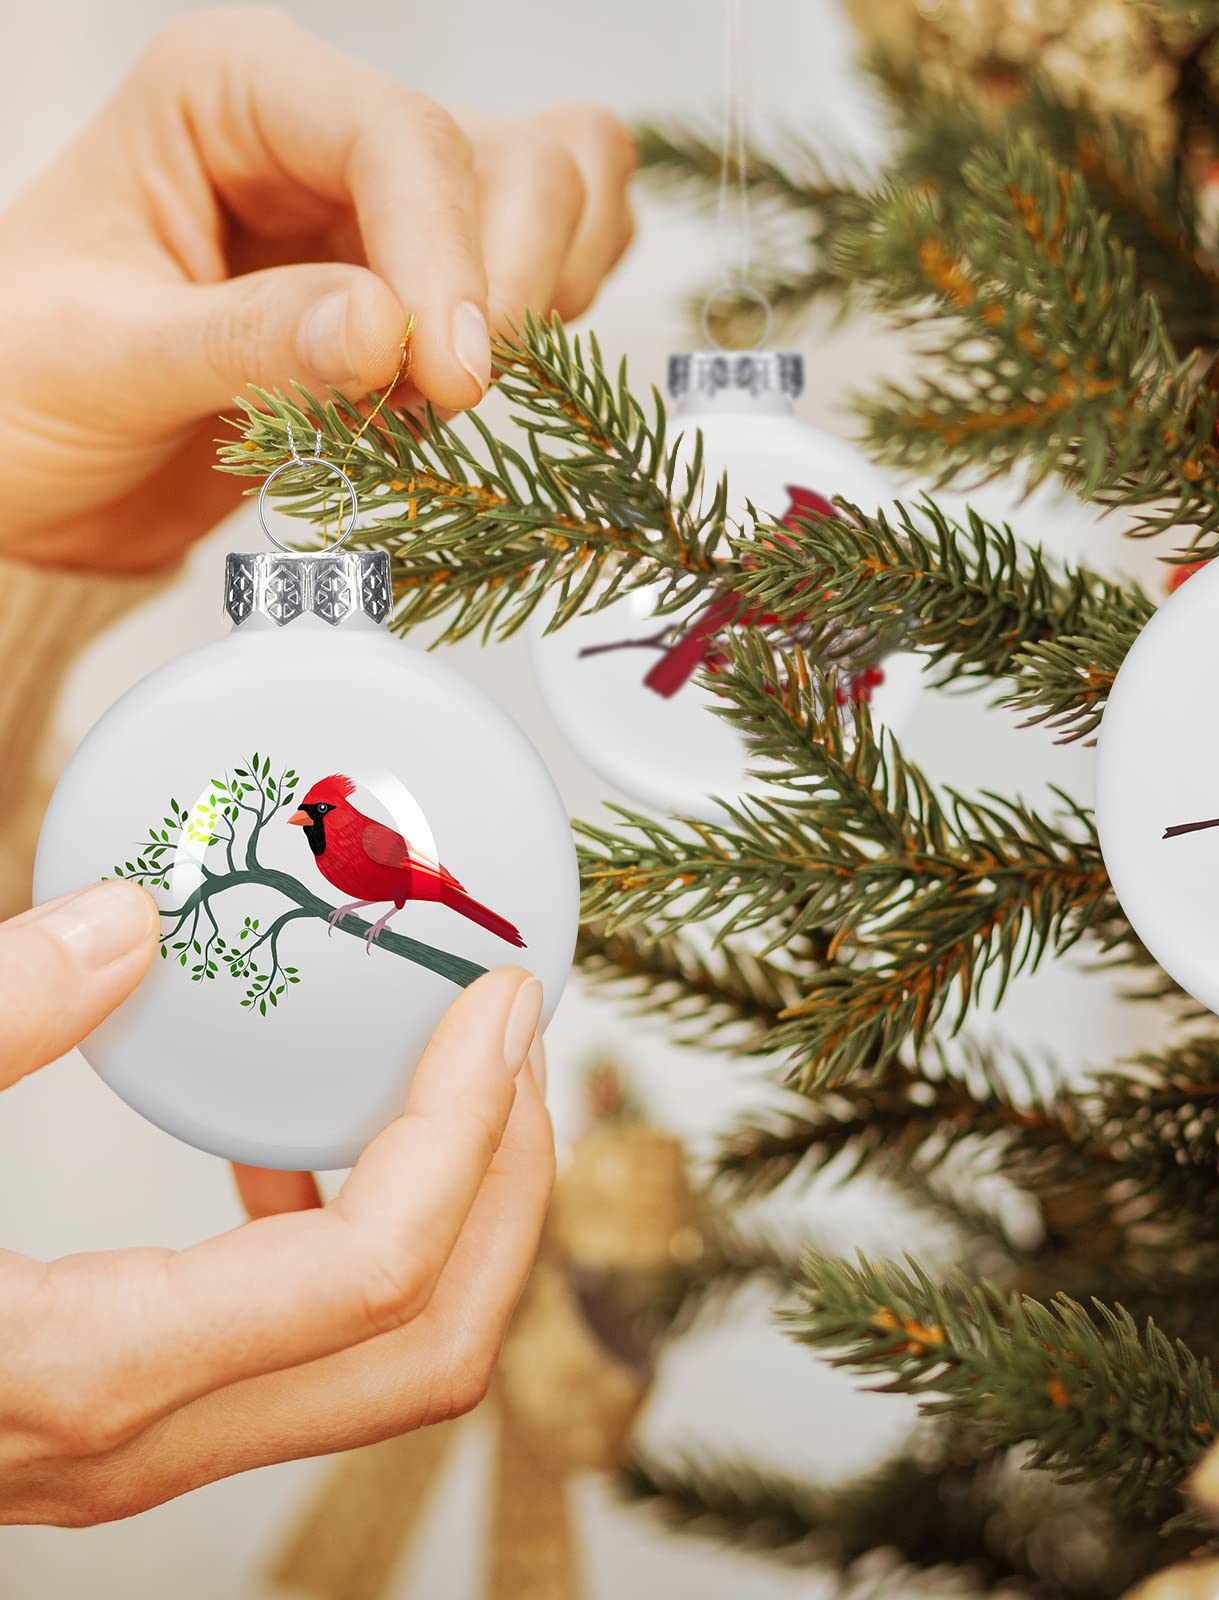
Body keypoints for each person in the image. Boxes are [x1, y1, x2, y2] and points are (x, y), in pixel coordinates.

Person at [0, 9, 635, 1525]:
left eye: (320, 810)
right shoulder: (313, 816)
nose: (311, 816)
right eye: (312, 813)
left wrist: (21, 528)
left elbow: (385, 876)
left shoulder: (368, 834)